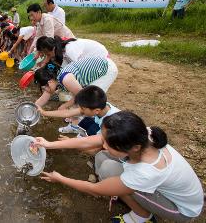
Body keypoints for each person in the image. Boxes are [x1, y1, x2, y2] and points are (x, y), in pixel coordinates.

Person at [35, 111, 204, 223]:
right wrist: (49, 145)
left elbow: (95, 189)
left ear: (134, 148)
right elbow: (91, 141)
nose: (103, 144)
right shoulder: (143, 133)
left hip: (182, 209)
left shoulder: (145, 172)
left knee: (109, 171)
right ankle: (129, 196)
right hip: (168, 187)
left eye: (109, 144)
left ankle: (142, 216)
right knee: (103, 158)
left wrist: (60, 178)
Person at [34, 56, 117, 109]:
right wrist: (33, 108)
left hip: (106, 69)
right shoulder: (54, 78)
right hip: (98, 66)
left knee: (92, 99)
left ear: (50, 81)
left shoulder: (65, 79)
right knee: (74, 100)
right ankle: (75, 122)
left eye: (45, 87)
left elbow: (81, 96)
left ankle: (103, 115)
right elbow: (44, 97)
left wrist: (64, 106)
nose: (45, 90)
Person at [38, 85, 120, 136]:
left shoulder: (110, 123)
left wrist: (70, 141)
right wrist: (43, 112)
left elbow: (96, 143)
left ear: (97, 111)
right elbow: (67, 113)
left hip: (118, 146)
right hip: (100, 124)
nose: (81, 110)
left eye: (83, 109)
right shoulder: (99, 105)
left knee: (90, 132)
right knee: (84, 121)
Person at [35, 36, 111, 68]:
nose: (49, 57)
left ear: (53, 48)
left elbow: (75, 69)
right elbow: (64, 68)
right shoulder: (62, 50)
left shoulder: (69, 50)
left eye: (48, 54)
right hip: (92, 56)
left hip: (102, 57)